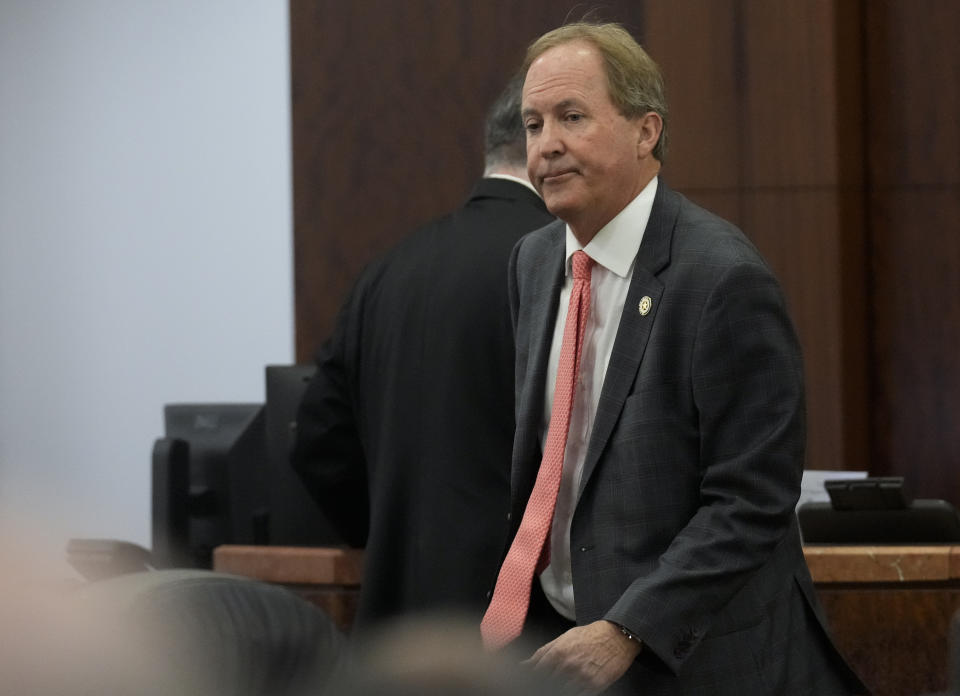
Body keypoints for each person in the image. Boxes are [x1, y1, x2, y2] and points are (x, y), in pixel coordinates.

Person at [480, 22, 868, 695]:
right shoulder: (533, 261)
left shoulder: (721, 279)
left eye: (572, 117)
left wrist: (626, 629)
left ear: (645, 130)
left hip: (698, 664)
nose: (547, 145)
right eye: (534, 123)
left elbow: (752, 501)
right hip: (560, 650)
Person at [291, 74, 555, 633]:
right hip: (517, 634)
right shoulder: (558, 265)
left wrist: (388, 533)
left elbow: (316, 436)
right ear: (537, 144)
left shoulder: (387, 270)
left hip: (394, 629)